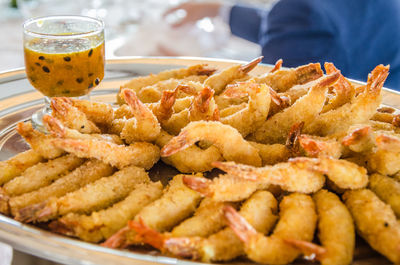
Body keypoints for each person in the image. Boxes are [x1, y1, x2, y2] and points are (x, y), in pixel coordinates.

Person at [165, 0, 400, 90]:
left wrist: (187, 67)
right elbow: (317, 28)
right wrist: (222, 11)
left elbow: (274, 91)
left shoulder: (297, 11)